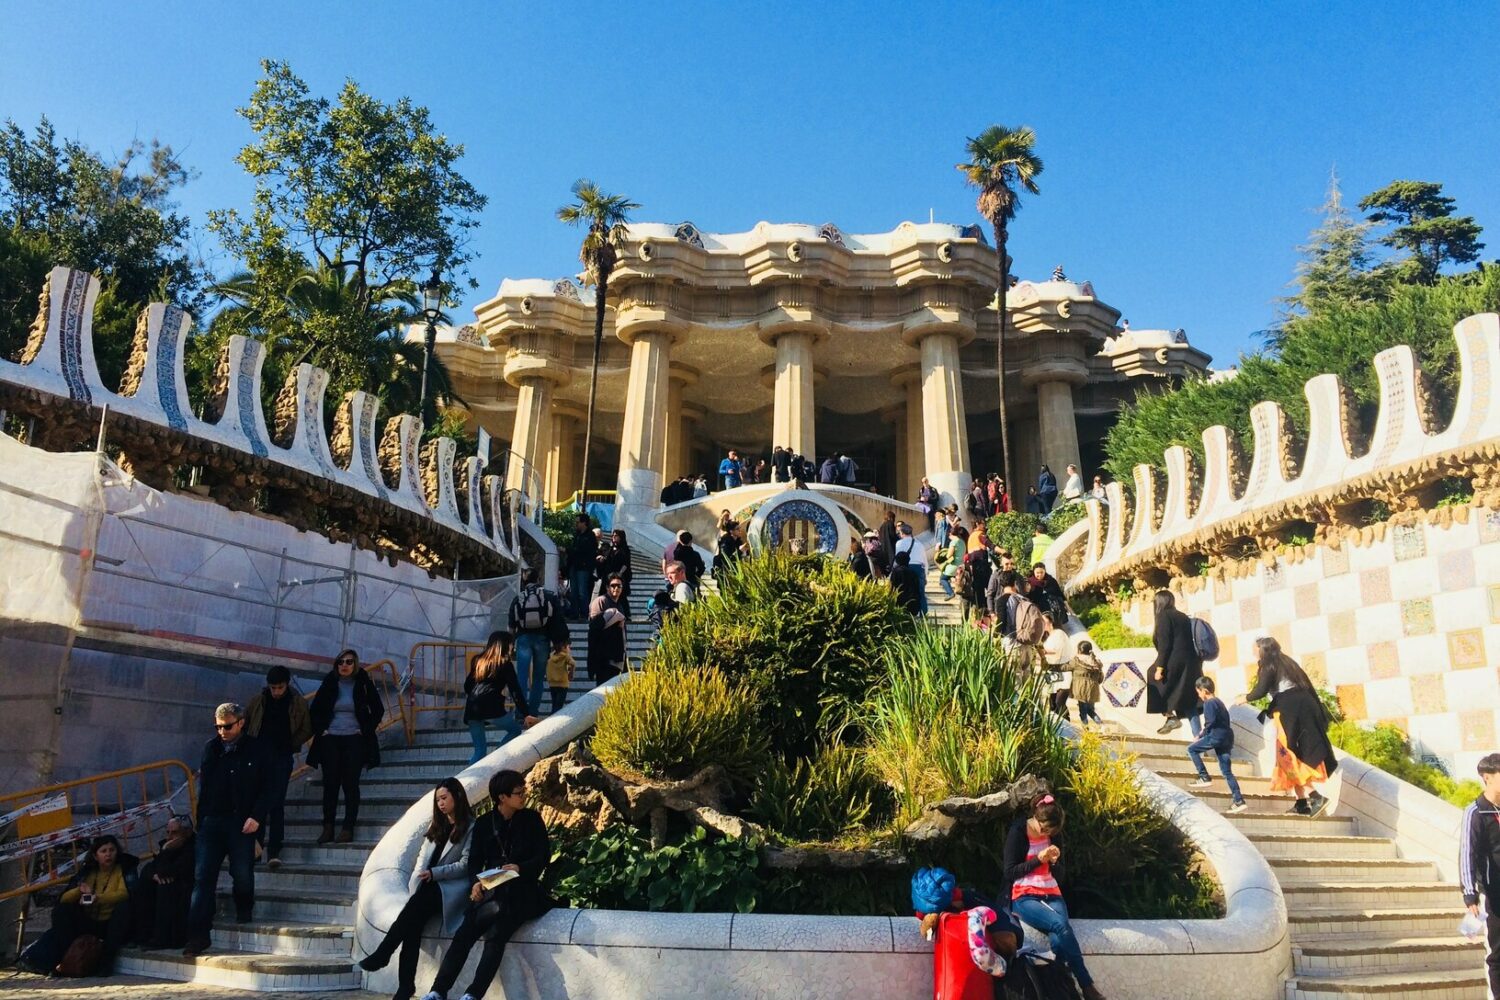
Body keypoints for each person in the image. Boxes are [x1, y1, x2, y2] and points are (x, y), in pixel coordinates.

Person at [419, 769, 552, 1000]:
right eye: (518, 793)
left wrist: (520, 868)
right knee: (464, 934)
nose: (524, 796)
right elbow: (474, 862)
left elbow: (543, 856)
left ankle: (472, 995)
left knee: (496, 935)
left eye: (523, 791)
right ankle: (437, 991)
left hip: (523, 891)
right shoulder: (484, 824)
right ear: (502, 797)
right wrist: (475, 884)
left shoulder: (532, 819)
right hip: (492, 888)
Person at [359, 779, 475, 1000]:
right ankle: (405, 987)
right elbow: (422, 860)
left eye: (444, 798)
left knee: (413, 913)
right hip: (426, 888)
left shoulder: (471, 827)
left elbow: (465, 865)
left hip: (448, 889)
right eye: (438, 800)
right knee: (411, 927)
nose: (441, 804)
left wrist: (435, 874)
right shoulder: (437, 826)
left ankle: (384, 953)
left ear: (457, 797)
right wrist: (420, 878)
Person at [1002, 794, 1107, 1000]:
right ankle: (1087, 986)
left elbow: (1060, 876)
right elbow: (1009, 872)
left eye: (1051, 831)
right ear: (1036, 819)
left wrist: (1054, 863)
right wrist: (1037, 860)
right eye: (1044, 829)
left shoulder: (1054, 834)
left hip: (1051, 892)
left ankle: (1060, 991)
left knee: (1059, 939)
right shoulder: (1018, 831)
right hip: (1024, 895)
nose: (1047, 834)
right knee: (1060, 925)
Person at [185, 702, 270, 956]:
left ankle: (244, 906)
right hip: (212, 821)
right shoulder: (211, 748)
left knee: (242, 873)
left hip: (241, 821)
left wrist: (256, 817)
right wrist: (201, 820)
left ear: (241, 723)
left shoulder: (256, 749)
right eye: (219, 726)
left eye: (228, 726)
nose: (223, 731)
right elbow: (205, 787)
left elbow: (269, 787)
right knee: (203, 879)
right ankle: (197, 935)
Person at [1236, 636, 1337, 816]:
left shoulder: (1269, 664)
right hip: (1303, 708)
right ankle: (1301, 802)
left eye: (1255, 648)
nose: (1253, 651)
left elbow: (1260, 690)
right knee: (1290, 753)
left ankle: (1315, 796)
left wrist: (1244, 698)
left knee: (1288, 754)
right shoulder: (1287, 662)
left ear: (1263, 649)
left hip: (1290, 711)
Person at [21, 834, 138, 975]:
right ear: (96, 856)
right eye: (104, 851)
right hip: (89, 919)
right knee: (62, 912)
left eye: (111, 850)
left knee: (124, 907)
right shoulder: (88, 872)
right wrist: (80, 890)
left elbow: (125, 893)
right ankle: (51, 959)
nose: (108, 855)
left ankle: (105, 964)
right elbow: (64, 898)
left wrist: (97, 898)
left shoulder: (124, 869)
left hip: (111, 923)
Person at [308, 650, 385, 844]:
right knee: (330, 785)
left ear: (355, 664)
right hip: (331, 738)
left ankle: (348, 827)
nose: (344, 665)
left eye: (349, 662)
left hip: (355, 739)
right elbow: (315, 709)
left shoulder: (363, 683)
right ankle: (328, 827)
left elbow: (378, 709)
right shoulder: (330, 682)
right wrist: (322, 730)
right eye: (341, 661)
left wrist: (364, 730)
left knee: (350, 784)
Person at [244, 664, 312, 869]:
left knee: (276, 803)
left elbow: (306, 728)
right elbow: (246, 724)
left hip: (281, 757)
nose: (276, 692)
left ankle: (274, 850)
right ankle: (255, 849)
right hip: (258, 757)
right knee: (257, 802)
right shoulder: (259, 701)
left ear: (286, 685)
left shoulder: (297, 703)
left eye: (279, 688)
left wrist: (291, 745)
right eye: (273, 688)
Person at [463, 632, 539, 764]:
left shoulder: (478, 660)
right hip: (491, 707)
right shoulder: (504, 663)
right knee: (515, 730)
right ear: (503, 645)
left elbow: (467, 685)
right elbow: (515, 690)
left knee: (479, 751)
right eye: (510, 644)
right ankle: (494, 761)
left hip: (472, 708)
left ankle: (464, 782)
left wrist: (478, 695)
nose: (512, 647)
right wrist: (526, 714)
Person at [1460, 753, 1500, 999]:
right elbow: (1467, 853)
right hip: (1496, 893)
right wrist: (1469, 893)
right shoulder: (1476, 812)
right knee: (1498, 954)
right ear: (1487, 778)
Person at [133, 815, 195, 949]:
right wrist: (154, 875)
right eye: (168, 832)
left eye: (174, 833)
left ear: (187, 833)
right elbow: (151, 868)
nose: (170, 837)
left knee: (166, 886)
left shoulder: (192, 848)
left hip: (184, 890)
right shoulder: (168, 845)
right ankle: (143, 935)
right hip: (168, 886)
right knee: (146, 882)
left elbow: (171, 870)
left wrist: (166, 851)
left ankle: (163, 938)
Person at [508, 568, 564, 714]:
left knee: (522, 676)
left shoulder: (518, 598)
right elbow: (556, 620)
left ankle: (521, 712)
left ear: (524, 581)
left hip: (523, 639)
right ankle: (533, 712)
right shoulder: (547, 596)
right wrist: (558, 642)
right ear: (539, 580)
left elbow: (511, 625)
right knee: (538, 678)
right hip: (542, 639)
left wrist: (510, 646)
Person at [1188, 677, 1247, 813]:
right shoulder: (1219, 702)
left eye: (1198, 692)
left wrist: (1200, 736)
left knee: (1191, 749)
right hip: (1227, 737)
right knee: (1227, 772)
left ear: (1204, 691)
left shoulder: (1209, 703)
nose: (1199, 695)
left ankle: (1204, 777)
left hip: (1216, 736)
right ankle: (1239, 800)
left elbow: (1210, 722)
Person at [1149, 591, 1204, 736]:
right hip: (1191, 664)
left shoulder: (1163, 616)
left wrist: (1160, 668)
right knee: (1188, 701)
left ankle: (1170, 716)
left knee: (1152, 679)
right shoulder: (1182, 616)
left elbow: (1164, 644)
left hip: (1174, 663)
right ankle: (1198, 738)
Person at [588, 575, 629, 683]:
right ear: (607, 587)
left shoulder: (619, 605)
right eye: (613, 585)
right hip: (604, 658)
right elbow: (594, 627)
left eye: (619, 586)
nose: (616, 588)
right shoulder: (601, 601)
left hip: (618, 657)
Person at [1064, 640, 1105, 729]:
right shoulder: (1095, 661)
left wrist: (1050, 665)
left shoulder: (1077, 660)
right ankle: (1100, 725)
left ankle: (1087, 729)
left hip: (1081, 688)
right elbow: (1100, 677)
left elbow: (1065, 667)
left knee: (1083, 710)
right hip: (1093, 689)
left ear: (1079, 650)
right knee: (1090, 709)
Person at [893, 522, 930, 615]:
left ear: (901, 533)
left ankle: (906, 612)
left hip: (906, 568)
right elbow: (924, 560)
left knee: (905, 592)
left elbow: (898, 557)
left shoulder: (899, 543)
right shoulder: (919, 544)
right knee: (921, 592)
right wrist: (925, 573)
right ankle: (923, 613)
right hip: (919, 568)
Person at [565, 516, 597, 620]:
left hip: (583, 567)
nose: (576, 524)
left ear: (584, 523)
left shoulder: (590, 536)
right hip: (574, 565)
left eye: (578, 522)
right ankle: (574, 613)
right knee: (573, 591)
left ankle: (584, 614)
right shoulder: (577, 535)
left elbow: (584, 551)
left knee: (582, 592)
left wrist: (568, 550)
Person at [960, 544, 992, 624]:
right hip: (971, 593)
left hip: (970, 593)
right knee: (971, 610)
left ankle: (969, 624)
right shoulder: (964, 569)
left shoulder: (978, 565)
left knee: (969, 610)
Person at [936, 525, 967, 600]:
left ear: (950, 534)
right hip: (961, 564)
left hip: (953, 565)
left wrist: (940, 553)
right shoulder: (962, 541)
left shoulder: (953, 542)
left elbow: (949, 555)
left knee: (943, 579)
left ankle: (950, 593)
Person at [889, 551, 923, 617]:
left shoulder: (896, 572)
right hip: (912, 603)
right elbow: (917, 590)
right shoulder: (913, 573)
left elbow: (892, 587)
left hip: (899, 603)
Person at [546, 639, 576, 713]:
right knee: (559, 706)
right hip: (563, 684)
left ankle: (552, 718)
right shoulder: (566, 656)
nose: (570, 649)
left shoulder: (551, 656)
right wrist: (571, 673)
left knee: (554, 704)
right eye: (569, 647)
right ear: (563, 647)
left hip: (552, 684)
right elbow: (573, 663)